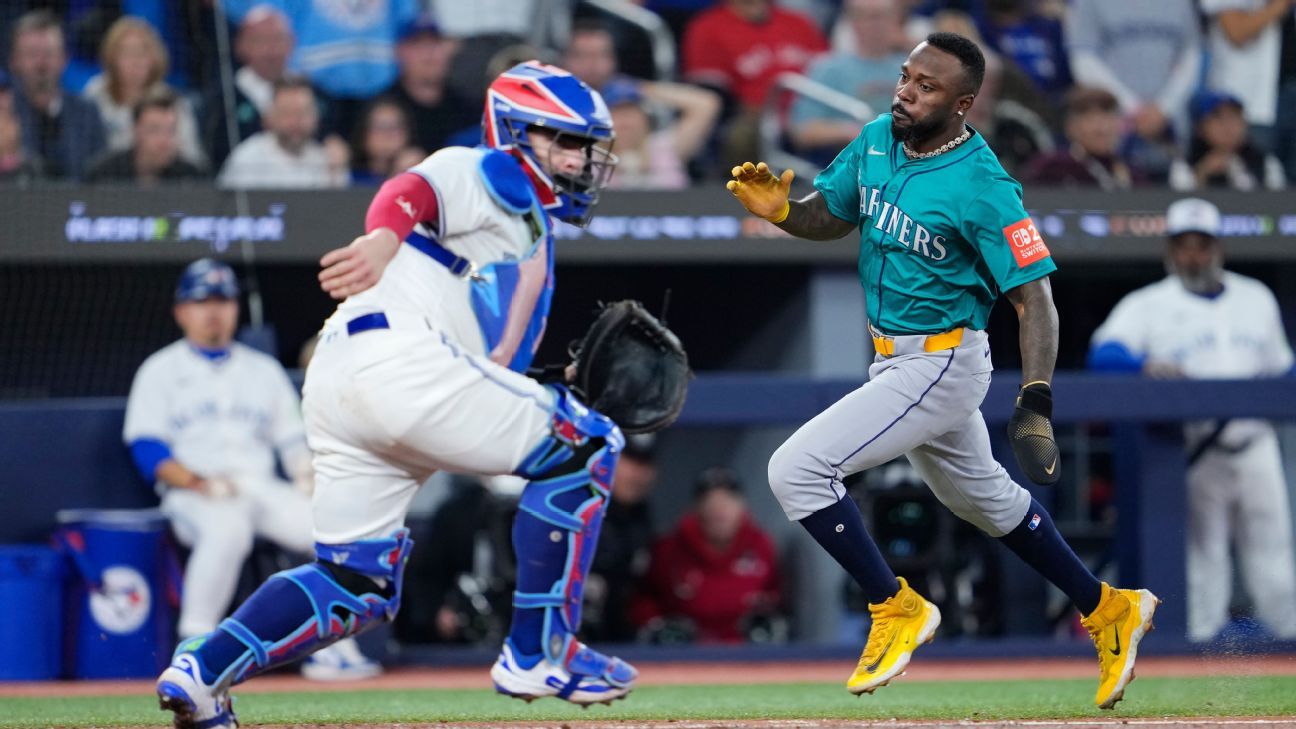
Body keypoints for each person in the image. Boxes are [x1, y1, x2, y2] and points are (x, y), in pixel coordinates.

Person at [155, 61, 634, 728]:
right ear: (517, 132)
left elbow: (499, 361)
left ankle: (202, 672)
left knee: (356, 583)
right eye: (567, 141)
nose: (581, 161)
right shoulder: (487, 169)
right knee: (589, 444)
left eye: (586, 146)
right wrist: (382, 239)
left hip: (346, 377)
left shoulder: (526, 235)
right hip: (398, 359)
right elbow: (412, 189)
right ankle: (538, 650)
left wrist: (550, 390)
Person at [724, 33, 1158, 709]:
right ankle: (1108, 607)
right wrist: (782, 211)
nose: (905, 92)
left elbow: (1035, 299)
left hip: (941, 358)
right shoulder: (877, 137)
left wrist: (1036, 397)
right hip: (894, 356)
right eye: (906, 76)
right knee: (986, 501)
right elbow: (830, 216)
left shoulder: (985, 184)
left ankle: (894, 606)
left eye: (925, 87)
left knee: (796, 470)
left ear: (962, 104)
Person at [124, 258, 379, 685]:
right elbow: (147, 449)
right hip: (196, 493)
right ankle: (194, 645)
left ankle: (334, 647)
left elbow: (292, 440)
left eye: (222, 301)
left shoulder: (262, 370)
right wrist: (197, 482)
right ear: (181, 311)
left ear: (235, 308)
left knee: (329, 530)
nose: (213, 311)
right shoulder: (160, 370)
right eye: (202, 301)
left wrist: (304, 472)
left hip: (260, 487)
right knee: (228, 529)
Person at [1087, 198, 1296, 643]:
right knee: (1205, 565)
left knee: (1275, 561)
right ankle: (1206, 659)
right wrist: (1143, 365)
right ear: (1171, 250)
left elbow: (1284, 370)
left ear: (1218, 248)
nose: (1194, 255)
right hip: (1196, 450)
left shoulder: (1255, 297)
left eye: (1203, 245)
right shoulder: (1148, 304)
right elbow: (1103, 354)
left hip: (1255, 445)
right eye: (1185, 245)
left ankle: (1287, 649)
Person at [631, 467, 782, 643]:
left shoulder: (762, 547)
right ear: (697, 508)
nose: (719, 509)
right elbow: (643, 599)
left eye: (728, 500)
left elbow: (775, 597)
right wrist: (656, 624)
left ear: (742, 506)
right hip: (683, 654)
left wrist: (768, 623)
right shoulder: (668, 549)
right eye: (710, 500)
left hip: (745, 652)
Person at [82, 16, 205, 169]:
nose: (135, 61)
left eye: (142, 53)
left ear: (154, 59)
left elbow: (191, 155)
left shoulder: (171, 101)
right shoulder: (95, 94)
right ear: (112, 58)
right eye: (127, 53)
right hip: (106, 177)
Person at [789, 0, 910, 155]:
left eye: (882, 16)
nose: (875, 25)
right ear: (853, 22)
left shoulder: (911, 68)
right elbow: (802, 131)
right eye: (866, 17)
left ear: (896, 20)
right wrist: (850, 131)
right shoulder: (827, 69)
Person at [8, 9, 105, 180]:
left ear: (64, 59)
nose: (41, 63)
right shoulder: (4, 113)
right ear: (15, 60)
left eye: (49, 53)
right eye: (32, 54)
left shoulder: (87, 114)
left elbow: (101, 177)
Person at [203, 5, 296, 168]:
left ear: (292, 43)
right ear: (241, 46)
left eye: (278, 39)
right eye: (261, 40)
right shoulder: (223, 99)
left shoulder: (314, 94)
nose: (271, 50)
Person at [217, 76, 348, 189]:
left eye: (303, 113)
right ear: (270, 118)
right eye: (287, 113)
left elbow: (337, 208)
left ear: (316, 117)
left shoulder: (327, 159)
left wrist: (334, 175)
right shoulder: (247, 157)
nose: (295, 122)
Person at [385, 16, 479, 156]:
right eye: (417, 45)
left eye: (435, 43)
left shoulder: (470, 109)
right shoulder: (381, 109)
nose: (428, 53)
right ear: (399, 51)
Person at [1021, 86, 1145, 190]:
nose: (1102, 128)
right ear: (1071, 126)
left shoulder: (1133, 175)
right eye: (1091, 119)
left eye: (1108, 118)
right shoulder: (1050, 168)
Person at [1169, 92, 1286, 192]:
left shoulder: (1265, 162)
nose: (1228, 126)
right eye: (1218, 118)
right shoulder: (1184, 164)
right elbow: (1177, 205)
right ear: (1200, 127)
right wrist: (1202, 174)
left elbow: (1280, 205)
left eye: (1235, 117)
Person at [85, 90, 205, 184]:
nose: (164, 141)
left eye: (171, 130)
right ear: (135, 131)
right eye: (154, 130)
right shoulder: (104, 175)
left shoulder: (192, 178)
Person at [348, 96, 425, 186]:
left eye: (395, 127)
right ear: (363, 134)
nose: (387, 135)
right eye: (379, 126)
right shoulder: (346, 176)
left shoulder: (418, 173)